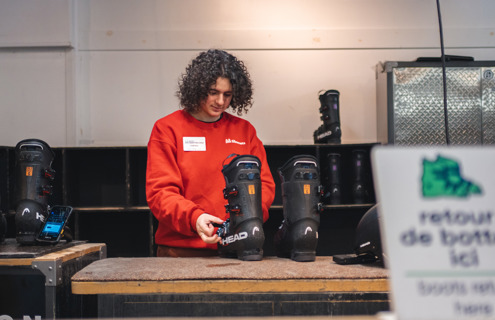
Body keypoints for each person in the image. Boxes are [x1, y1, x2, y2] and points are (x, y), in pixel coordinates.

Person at [146, 49, 276, 257]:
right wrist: (194, 218)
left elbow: (265, 186)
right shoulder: (167, 129)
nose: (220, 102)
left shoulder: (245, 131)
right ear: (197, 89)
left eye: (227, 94)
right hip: (182, 252)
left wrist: (246, 219)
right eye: (213, 92)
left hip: (239, 248)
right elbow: (161, 192)